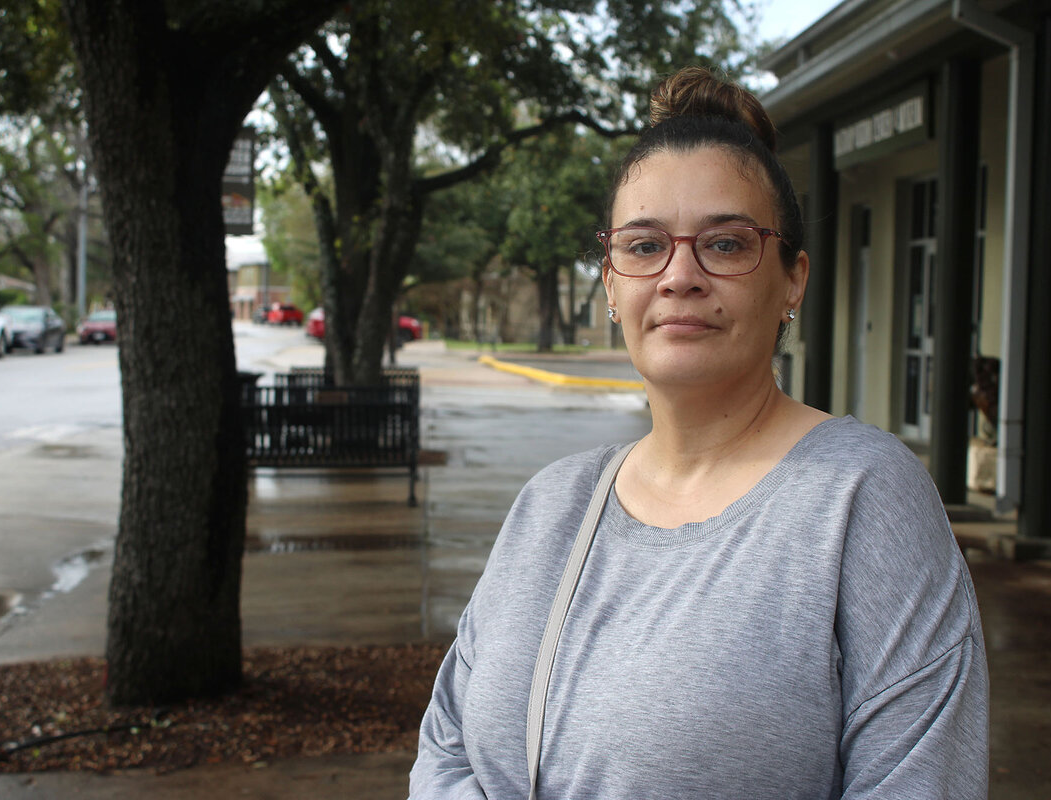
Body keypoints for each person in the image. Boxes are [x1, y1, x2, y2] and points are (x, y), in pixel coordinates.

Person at [409, 66, 988, 799]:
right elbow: (447, 742)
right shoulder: (551, 504)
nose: (679, 275)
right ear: (611, 283)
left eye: (727, 244)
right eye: (643, 245)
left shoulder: (861, 499)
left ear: (793, 279)